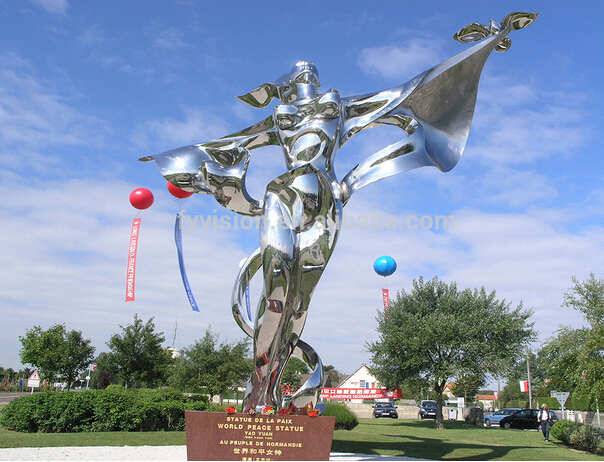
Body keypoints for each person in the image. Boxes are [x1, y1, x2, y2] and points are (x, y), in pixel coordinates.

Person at [141, 12, 538, 412]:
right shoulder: (279, 116)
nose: (307, 76)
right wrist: (176, 160)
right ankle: (258, 388)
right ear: (290, 82)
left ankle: (273, 388)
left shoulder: (340, 106)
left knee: (299, 301)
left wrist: (486, 44)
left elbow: (409, 90)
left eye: (311, 72)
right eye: (300, 74)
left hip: (326, 201)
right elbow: (227, 143)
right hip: (282, 194)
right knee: (276, 285)